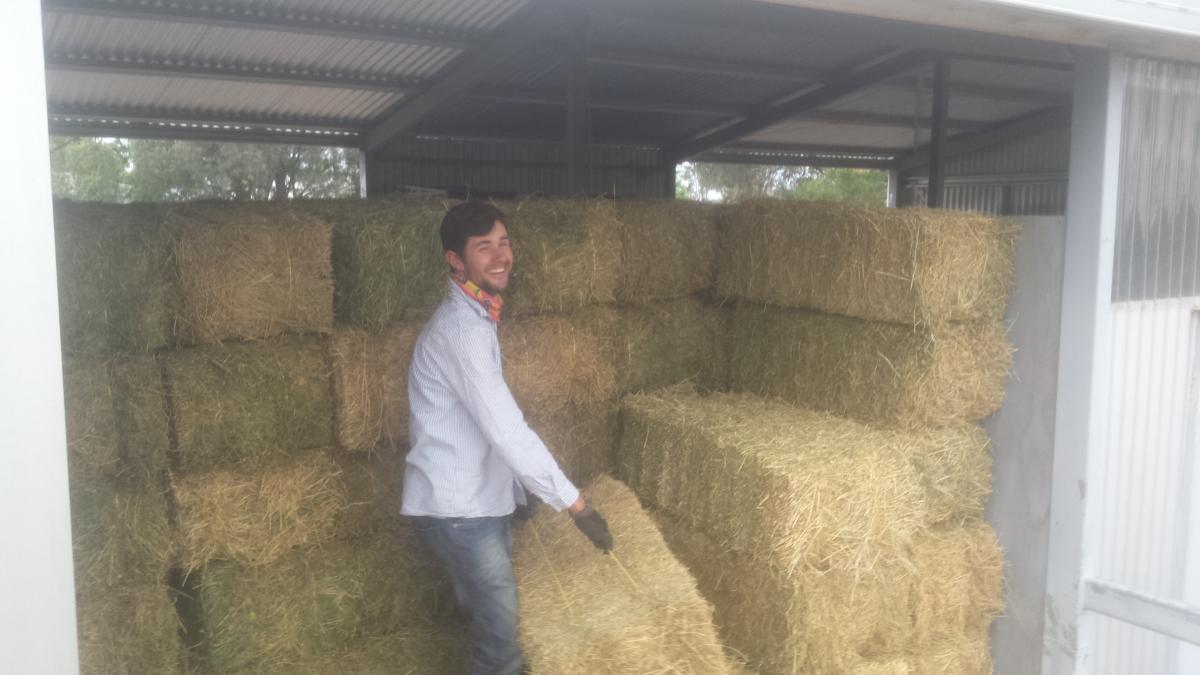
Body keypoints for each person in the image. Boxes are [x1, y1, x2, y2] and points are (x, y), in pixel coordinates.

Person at [402, 200, 614, 675]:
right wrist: (576, 505)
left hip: (472, 505)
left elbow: (485, 427)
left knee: (487, 619)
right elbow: (505, 429)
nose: (501, 256)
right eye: (484, 247)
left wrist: (516, 492)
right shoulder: (462, 331)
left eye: (505, 242)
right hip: (461, 512)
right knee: (500, 648)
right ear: (455, 260)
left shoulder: (478, 319)